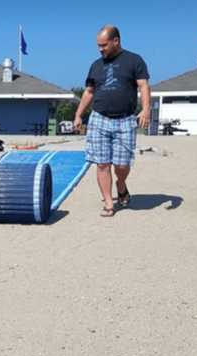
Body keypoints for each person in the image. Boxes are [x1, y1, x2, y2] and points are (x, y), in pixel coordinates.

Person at [74, 25, 151, 216]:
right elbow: (89, 92)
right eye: (98, 46)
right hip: (99, 118)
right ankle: (109, 202)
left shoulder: (134, 60)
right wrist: (78, 114)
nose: (100, 49)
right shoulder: (96, 65)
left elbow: (143, 86)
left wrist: (146, 109)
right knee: (102, 163)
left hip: (125, 120)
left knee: (122, 165)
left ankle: (121, 184)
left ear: (116, 41)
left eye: (104, 45)